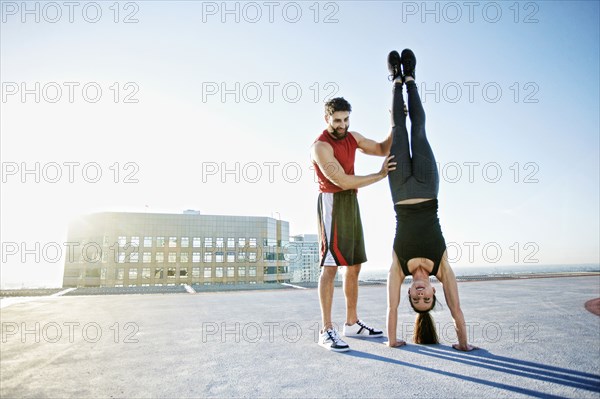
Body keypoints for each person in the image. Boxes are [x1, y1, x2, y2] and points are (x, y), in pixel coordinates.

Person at [384, 49, 477, 351]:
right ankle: (410, 77)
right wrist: (463, 344)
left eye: (415, 298)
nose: (421, 294)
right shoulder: (442, 267)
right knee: (419, 129)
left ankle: (395, 81)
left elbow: (391, 309)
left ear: (409, 291)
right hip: (427, 187)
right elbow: (457, 310)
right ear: (434, 292)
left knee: (399, 129)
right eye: (427, 299)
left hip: (399, 192)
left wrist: (393, 339)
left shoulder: (398, 269)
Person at [310, 97, 396, 352]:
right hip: (332, 203)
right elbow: (343, 181)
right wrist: (380, 175)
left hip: (351, 202)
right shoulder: (320, 147)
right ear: (327, 119)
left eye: (346, 119)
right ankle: (326, 329)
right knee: (330, 266)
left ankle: (351, 323)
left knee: (355, 265)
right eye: (337, 120)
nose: (342, 125)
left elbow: (382, 148)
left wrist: (395, 124)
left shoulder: (352, 136)